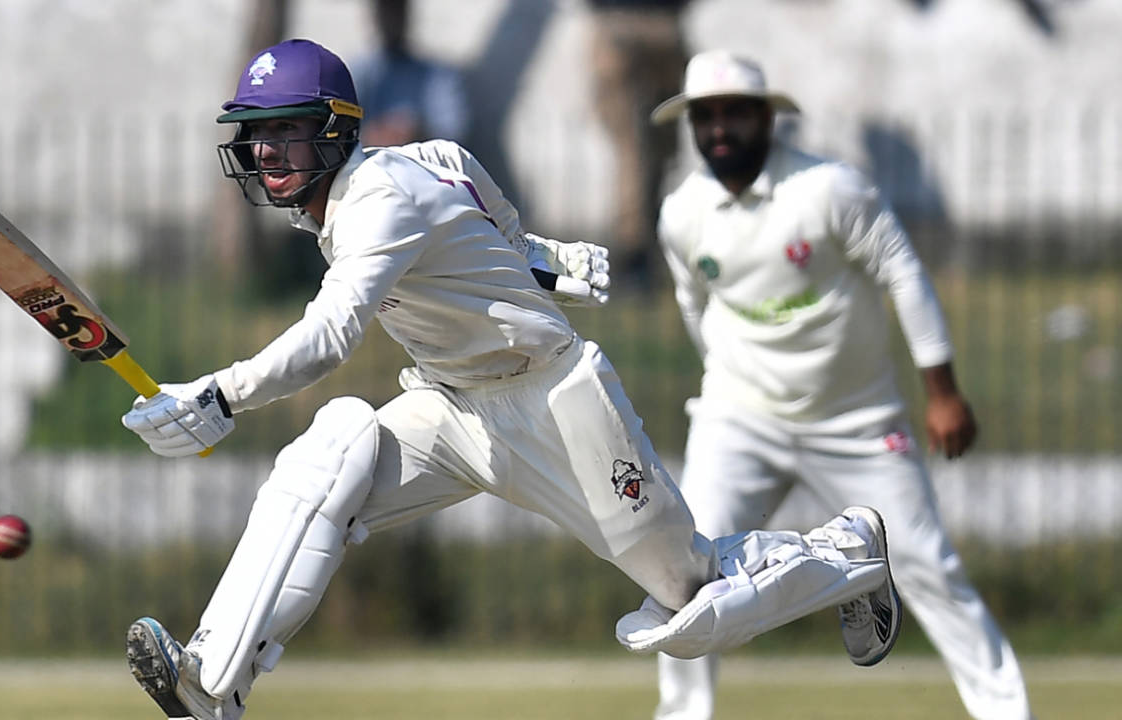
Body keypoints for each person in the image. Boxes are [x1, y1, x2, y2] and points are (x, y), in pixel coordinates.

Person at [119, 39, 902, 720]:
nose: (264, 152)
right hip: (450, 410)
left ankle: (847, 553)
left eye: (285, 131)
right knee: (330, 452)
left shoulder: (378, 201)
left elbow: (330, 337)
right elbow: (466, 177)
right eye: (256, 135)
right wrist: (535, 259)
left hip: (554, 404)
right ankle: (212, 684)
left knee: (687, 611)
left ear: (336, 130)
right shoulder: (418, 165)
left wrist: (219, 393)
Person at [649, 50, 1032, 720]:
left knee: (926, 567)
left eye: (735, 112)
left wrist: (942, 391)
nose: (719, 129)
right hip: (740, 418)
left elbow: (903, 273)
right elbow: (695, 306)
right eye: (704, 116)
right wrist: (734, 381)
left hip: (856, 420)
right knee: (684, 575)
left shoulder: (828, 189)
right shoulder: (682, 214)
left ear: (767, 117)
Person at [585, 0, 691, 288]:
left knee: (630, 149)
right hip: (663, 25)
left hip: (617, 23)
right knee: (658, 145)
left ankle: (635, 251)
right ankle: (647, 245)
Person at [350, 0, 469, 147]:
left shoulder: (438, 75)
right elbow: (341, 127)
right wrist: (372, 134)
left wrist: (417, 132)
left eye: (396, 10)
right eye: (385, 10)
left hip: (424, 166)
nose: (390, 18)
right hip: (369, 163)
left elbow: (455, 130)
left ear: (407, 13)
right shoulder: (359, 71)